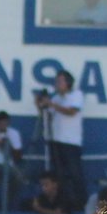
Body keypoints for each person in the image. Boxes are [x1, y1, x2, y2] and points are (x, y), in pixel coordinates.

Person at [38, 70, 85, 206]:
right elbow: (49, 114)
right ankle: (63, 201)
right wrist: (42, 104)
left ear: (68, 83)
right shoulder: (56, 98)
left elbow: (71, 111)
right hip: (56, 140)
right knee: (58, 174)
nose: (57, 84)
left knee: (75, 174)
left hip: (71, 141)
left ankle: (80, 202)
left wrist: (52, 104)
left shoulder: (76, 95)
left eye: (60, 81)